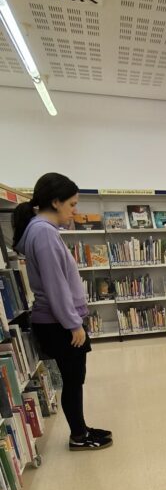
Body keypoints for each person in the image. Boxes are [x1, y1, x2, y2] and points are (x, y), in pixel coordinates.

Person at [12, 172, 112, 451]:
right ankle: (79, 436)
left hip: (58, 320)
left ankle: (81, 429)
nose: (75, 211)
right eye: (72, 204)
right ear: (56, 202)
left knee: (74, 379)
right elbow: (56, 285)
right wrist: (73, 323)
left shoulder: (40, 230)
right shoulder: (44, 232)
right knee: (73, 379)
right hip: (59, 322)